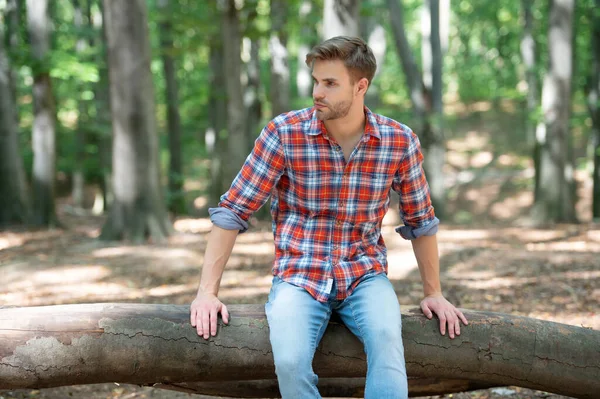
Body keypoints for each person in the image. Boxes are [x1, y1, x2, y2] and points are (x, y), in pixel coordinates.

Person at [190, 36, 468, 399]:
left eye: (330, 83)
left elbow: (421, 221)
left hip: (365, 274)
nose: (317, 92)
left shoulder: (399, 141)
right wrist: (206, 293)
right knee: (290, 362)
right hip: (298, 276)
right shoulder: (284, 133)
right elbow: (232, 211)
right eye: (316, 81)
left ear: (360, 86)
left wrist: (434, 293)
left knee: (388, 342)